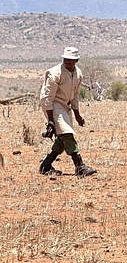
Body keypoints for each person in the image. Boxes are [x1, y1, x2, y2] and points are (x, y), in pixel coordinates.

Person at [39, 46, 96, 176]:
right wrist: (51, 121)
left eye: (71, 60)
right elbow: (48, 98)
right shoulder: (55, 74)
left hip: (65, 104)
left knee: (62, 137)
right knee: (67, 133)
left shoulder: (78, 74)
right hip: (53, 104)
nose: (67, 62)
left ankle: (46, 165)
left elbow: (74, 96)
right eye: (66, 59)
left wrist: (77, 115)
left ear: (76, 60)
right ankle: (79, 166)